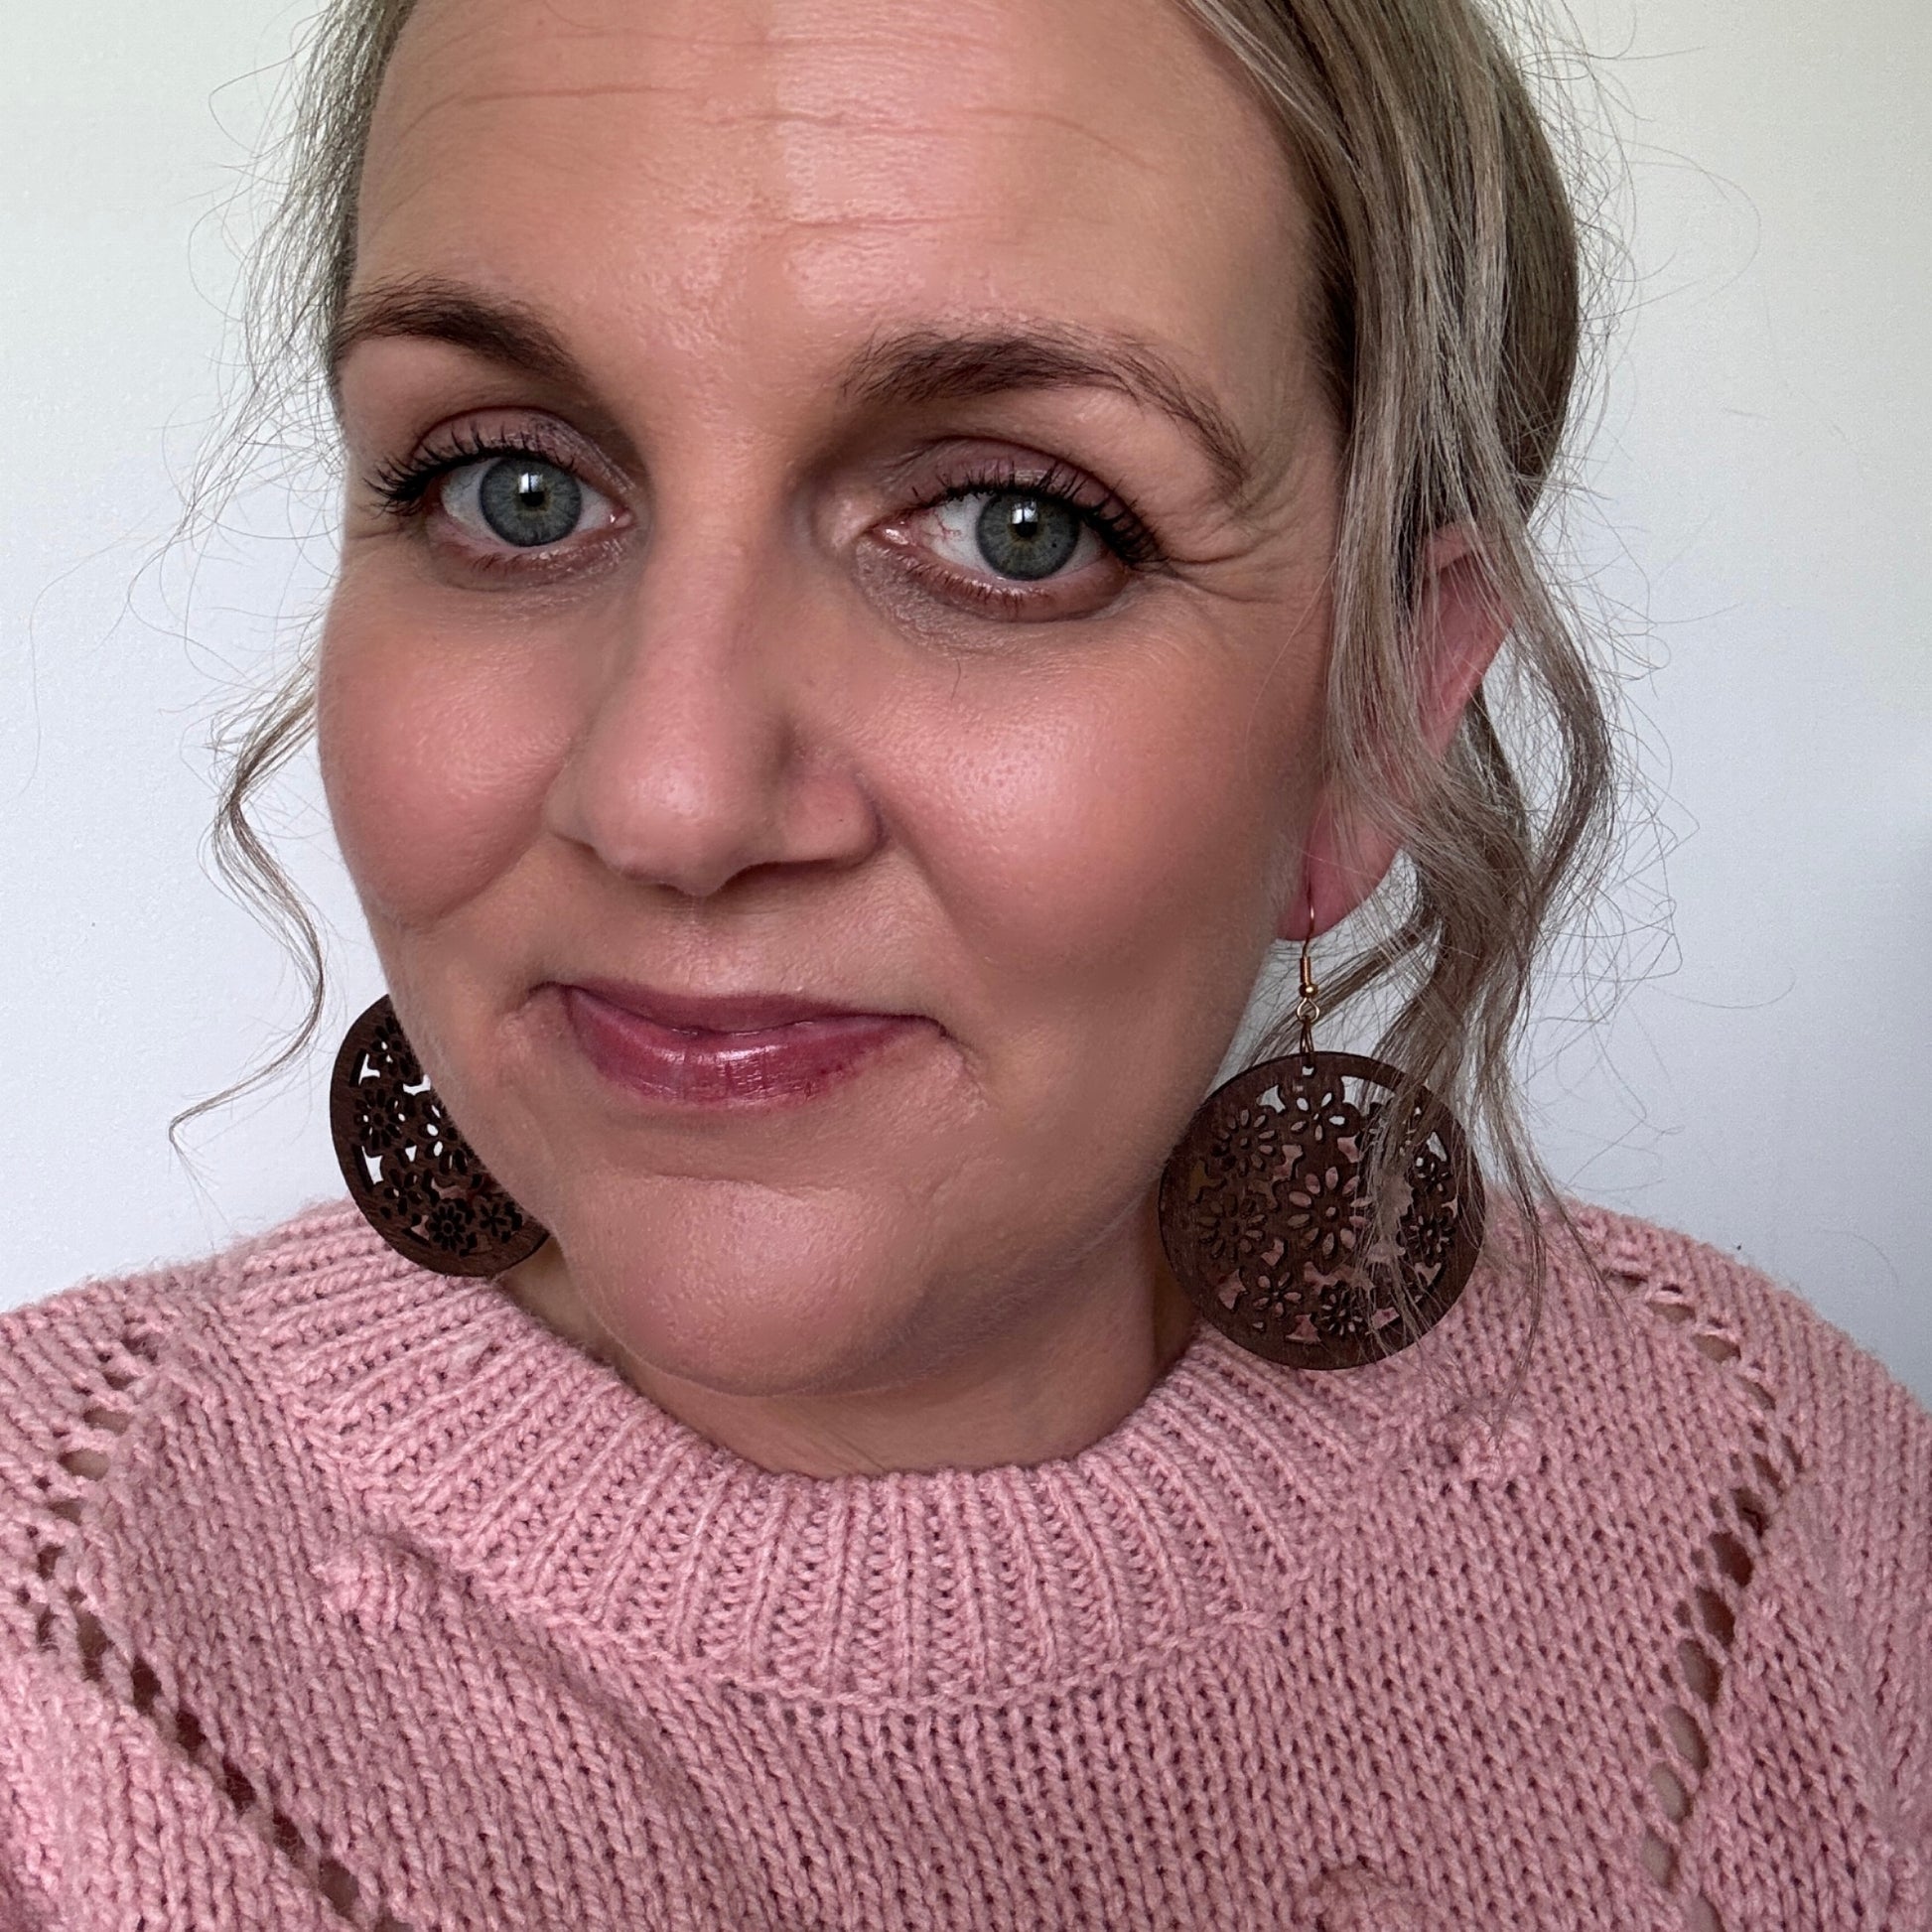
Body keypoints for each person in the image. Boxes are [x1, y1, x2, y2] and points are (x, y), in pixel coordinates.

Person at [2, 0, 1924, 1924]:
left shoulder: (1790, 1514)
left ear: (1373, 727)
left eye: (1016, 528)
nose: (669, 797)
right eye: (514, 489)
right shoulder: (50, 1637)